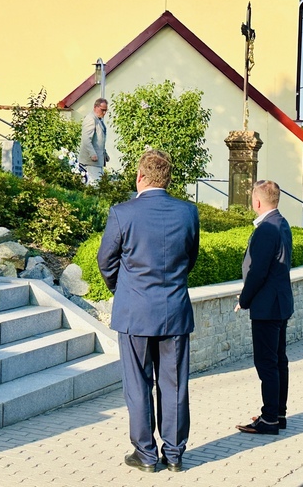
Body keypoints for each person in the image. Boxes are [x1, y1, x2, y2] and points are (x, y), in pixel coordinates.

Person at [97, 149, 199, 473]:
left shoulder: (122, 213)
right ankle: (175, 455)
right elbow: (190, 258)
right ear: (167, 179)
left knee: (138, 385)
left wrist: (122, 290)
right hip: (174, 311)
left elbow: (106, 261)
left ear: (140, 177)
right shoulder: (188, 212)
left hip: (135, 313)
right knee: (174, 384)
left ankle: (146, 454)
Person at [234, 180, 293, 435]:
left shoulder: (267, 228)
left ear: (257, 201)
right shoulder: (282, 223)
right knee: (278, 361)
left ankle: (269, 419)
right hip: (279, 303)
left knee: (267, 363)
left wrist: (244, 300)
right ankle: (278, 413)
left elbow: (258, 271)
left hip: (267, 306)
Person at [79, 98, 110, 185]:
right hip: (91, 162)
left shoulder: (98, 120)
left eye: (106, 110)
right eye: (102, 110)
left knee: (99, 185)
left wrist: (105, 154)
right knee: (95, 186)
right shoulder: (91, 119)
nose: (104, 113)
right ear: (95, 107)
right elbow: (86, 139)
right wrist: (92, 154)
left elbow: (99, 141)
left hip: (97, 162)